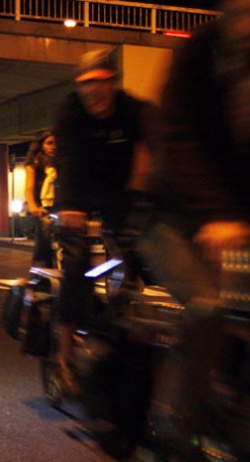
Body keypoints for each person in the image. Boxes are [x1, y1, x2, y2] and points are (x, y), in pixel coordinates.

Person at [135, 1, 250, 458]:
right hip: (172, 215)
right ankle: (180, 436)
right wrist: (215, 213)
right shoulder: (196, 55)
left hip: (234, 219)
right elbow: (180, 140)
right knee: (206, 307)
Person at [53, 48, 156, 396]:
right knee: (77, 265)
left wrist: (143, 201)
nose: (93, 91)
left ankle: (127, 337)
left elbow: (151, 154)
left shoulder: (133, 110)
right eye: (85, 84)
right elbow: (66, 160)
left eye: (100, 82)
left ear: (113, 82)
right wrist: (68, 207)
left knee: (137, 262)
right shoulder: (69, 112)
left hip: (118, 199)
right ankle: (65, 359)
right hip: (77, 200)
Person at [24, 131, 57, 267]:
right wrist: (33, 206)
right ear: (41, 146)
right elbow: (29, 190)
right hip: (42, 208)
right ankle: (40, 277)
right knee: (43, 240)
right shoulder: (34, 166)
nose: (53, 146)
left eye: (56, 143)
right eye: (49, 143)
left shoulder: (63, 162)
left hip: (61, 207)